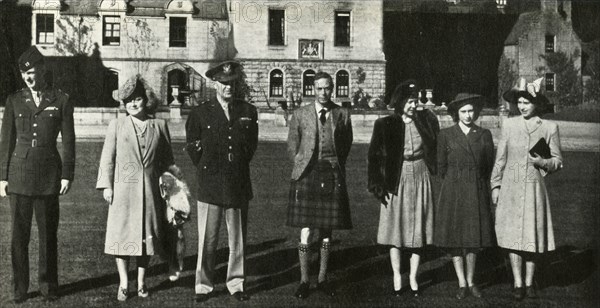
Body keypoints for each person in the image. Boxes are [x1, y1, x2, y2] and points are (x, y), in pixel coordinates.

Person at [0, 46, 75, 304]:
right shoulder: (14, 100)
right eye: (25, 74)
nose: (29, 78)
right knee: (18, 238)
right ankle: (19, 289)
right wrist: (2, 177)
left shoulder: (61, 100)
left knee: (48, 236)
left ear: (42, 70)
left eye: (32, 72)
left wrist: (67, 175)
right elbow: (5, 141)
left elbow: (69, 141)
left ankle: (48, 287)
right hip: (19, 175)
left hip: (48, 176)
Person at [97, 76, 179, 301]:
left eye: (138, 99)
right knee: (122, 237)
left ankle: (141, 282)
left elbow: (167, 161)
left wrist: (171, 190)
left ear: (147, 100)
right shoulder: (117, 125)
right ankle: (124, 283)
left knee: (146, 238)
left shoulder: (159, 125)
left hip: (151, 192)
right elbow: (107, 158)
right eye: (129, 100)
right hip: (122, 192)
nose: (133, 104)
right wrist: (106, 186)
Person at [185, 60, 258, 303]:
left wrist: (234, 165)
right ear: (214, 84)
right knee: (208, 239)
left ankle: (236, 283)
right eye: (223, 83)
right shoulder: (201, 112)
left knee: (237, 239)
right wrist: (208, 168)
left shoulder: (247, 111)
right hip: (210, 183)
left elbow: (250, 148)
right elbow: (193, 146)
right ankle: (204, 285)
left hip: (237, 182)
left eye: (232, 83)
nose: (228, 87)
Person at [491, 77, 563, 300]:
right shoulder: (510, 125)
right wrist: (495, 185)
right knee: (513, 236)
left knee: (531, 234)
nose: (522, 106)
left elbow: (558, 161)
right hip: (511, 188)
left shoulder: (549, 127)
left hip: (534, 187)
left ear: (537, 104)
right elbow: (500, 159)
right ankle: (518, 282)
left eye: (527, 102)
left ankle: (530, 283)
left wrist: (543, 163)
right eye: (519, 102)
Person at [367, 80, 438, 297]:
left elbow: (435, 145)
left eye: (415, 101)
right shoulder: (385, 124)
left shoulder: (425, 120)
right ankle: (397, 274)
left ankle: (414, 276)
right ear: (399, 103)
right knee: (395, 230)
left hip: (420, 175)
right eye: (408, 102)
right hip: (395, 179)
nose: (413, 105)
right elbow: (374, 156)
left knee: (418, 229)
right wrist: (377, 185)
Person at [286, 71, 353, 299]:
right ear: (312, 89)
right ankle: (305, 280)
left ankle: (323, 279)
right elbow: (292, 145)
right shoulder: (301, 113)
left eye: (327, 88)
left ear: (332, 89)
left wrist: (335, 163)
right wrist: (301, 162)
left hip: (332, 172)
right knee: (306, 229)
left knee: (327, 230)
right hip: (307, 174)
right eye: (319, 88)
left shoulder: (342, 113)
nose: (323, 92)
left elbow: (346, 143)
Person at [433, 93, 495, 299]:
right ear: (456, 114)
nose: (468, 115)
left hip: (476, 189)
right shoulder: (445, 135)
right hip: (453, 190)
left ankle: (471, 280)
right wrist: (454, 181)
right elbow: (440, 166)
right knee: (455, 238)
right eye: (463, 112)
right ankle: (461, 282)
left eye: (471, 111)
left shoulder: (484, 134)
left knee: (473, 238)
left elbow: (488, 165)